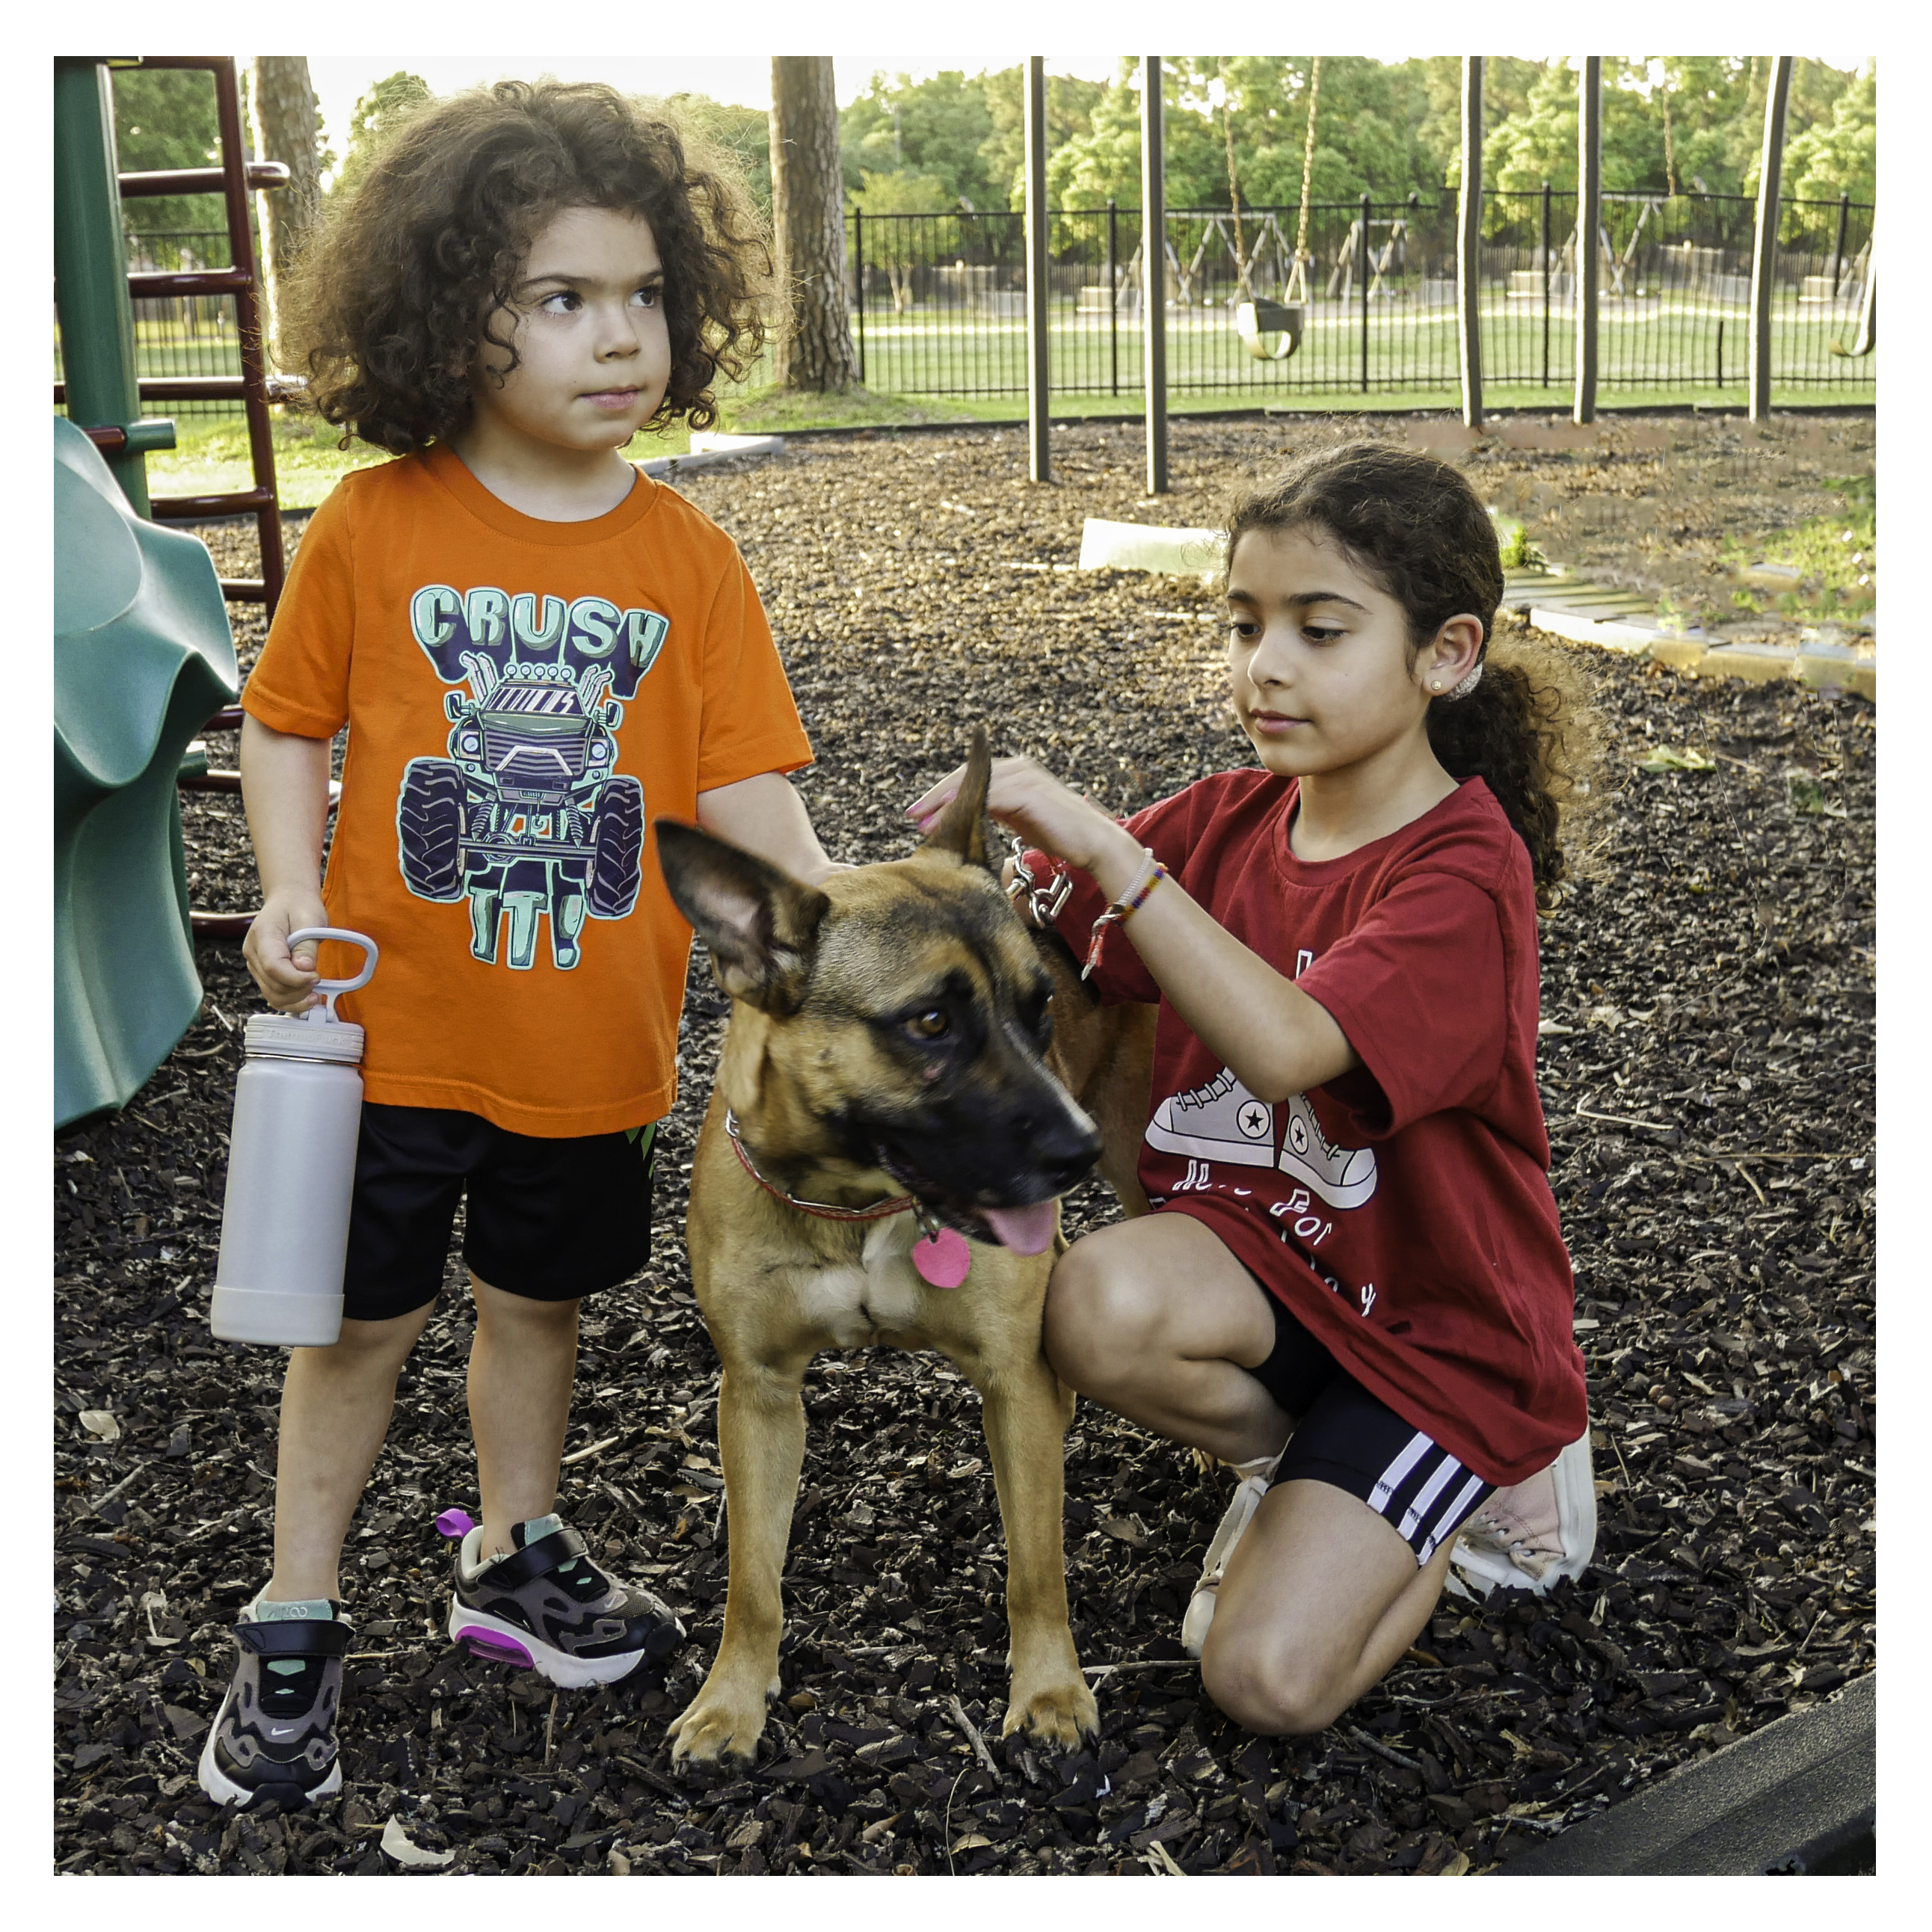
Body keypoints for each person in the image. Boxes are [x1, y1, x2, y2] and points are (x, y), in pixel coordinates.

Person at [200, 80, 838, 1810]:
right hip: (391, 1033)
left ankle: (512, 1554)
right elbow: (285, 723)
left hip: (589, 1044)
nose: (615, 336)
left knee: (536, 1302)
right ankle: (295, 1612)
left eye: (640, 296)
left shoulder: (685, 557)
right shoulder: (376, 524)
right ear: (449, 310)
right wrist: (285, 888)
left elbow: (750, 781)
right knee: (357, 1324)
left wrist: (849, 916)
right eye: (560, 299)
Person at [910, 440, 1599, 1738]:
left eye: (1319, 630)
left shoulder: (1463, 874)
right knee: (1091, 1305)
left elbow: (1288, 1048)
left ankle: (1451, 1502)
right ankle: (1308, 1474)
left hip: (1435, 1342)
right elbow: (1029, 962)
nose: (1265, 664)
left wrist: (1109, 848)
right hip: (1273, 1273)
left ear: (1446, 654)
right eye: (1246, 623)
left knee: (1263, 1683)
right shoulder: (1229, 817)